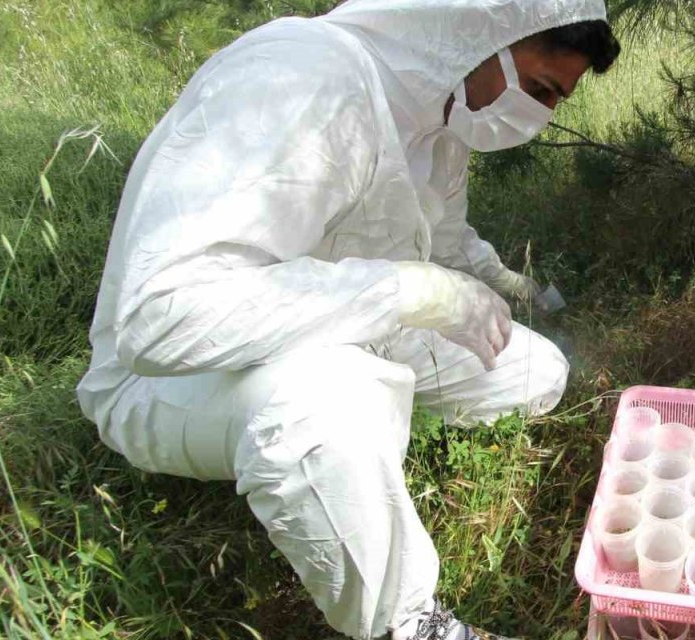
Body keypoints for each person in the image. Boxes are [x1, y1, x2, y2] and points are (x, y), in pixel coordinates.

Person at [74, 1, 621, 638]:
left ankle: (353, 451)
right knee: (326, 397)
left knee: (533, 372)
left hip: (353, 329)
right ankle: (407, 623)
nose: (541, 115)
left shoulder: (441, 115)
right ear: (483, 34)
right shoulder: (303, 77)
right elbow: (162, 318)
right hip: (179, 375)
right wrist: (411, 291)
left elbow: (445, 240)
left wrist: (505, 286)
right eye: (540, 89)